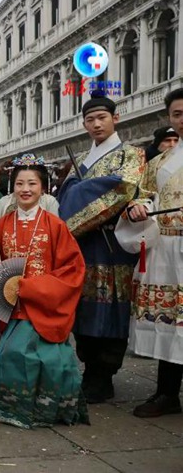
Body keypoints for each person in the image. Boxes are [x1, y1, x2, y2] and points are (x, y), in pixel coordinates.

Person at [0, 155, 89, 429]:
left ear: (43, 188)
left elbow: (73, 268)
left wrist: (33, 288)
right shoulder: (2, 224)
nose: (25, 189)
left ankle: (47, 411)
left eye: (32, 183)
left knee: (44, 359)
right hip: (10, 307)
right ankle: (15, 408)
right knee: (8, 355)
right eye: (19, 183)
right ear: (12, 187)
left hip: (44, 305)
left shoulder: (55, 225)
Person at [57, 91, 145, 404]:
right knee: (84, 309)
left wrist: (81, 192)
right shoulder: (81, 159)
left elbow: (121, 188)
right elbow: (64, 196)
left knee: (111, 310)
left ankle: (103, 375)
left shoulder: (131, 154)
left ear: (115, 118)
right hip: (81, 246)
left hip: (111, 244)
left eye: (102, 118)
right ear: (83, 124)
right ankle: (88, 369)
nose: (96, 124)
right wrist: (79, 190)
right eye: (90, 119)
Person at [116, 88, 183, 418]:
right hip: (166, 247)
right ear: (169, 118)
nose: (182, 120)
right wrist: (138, 209)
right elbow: (143, 196)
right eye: (177, 114)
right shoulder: (157, 162)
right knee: (170, 322)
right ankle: (167, 392)